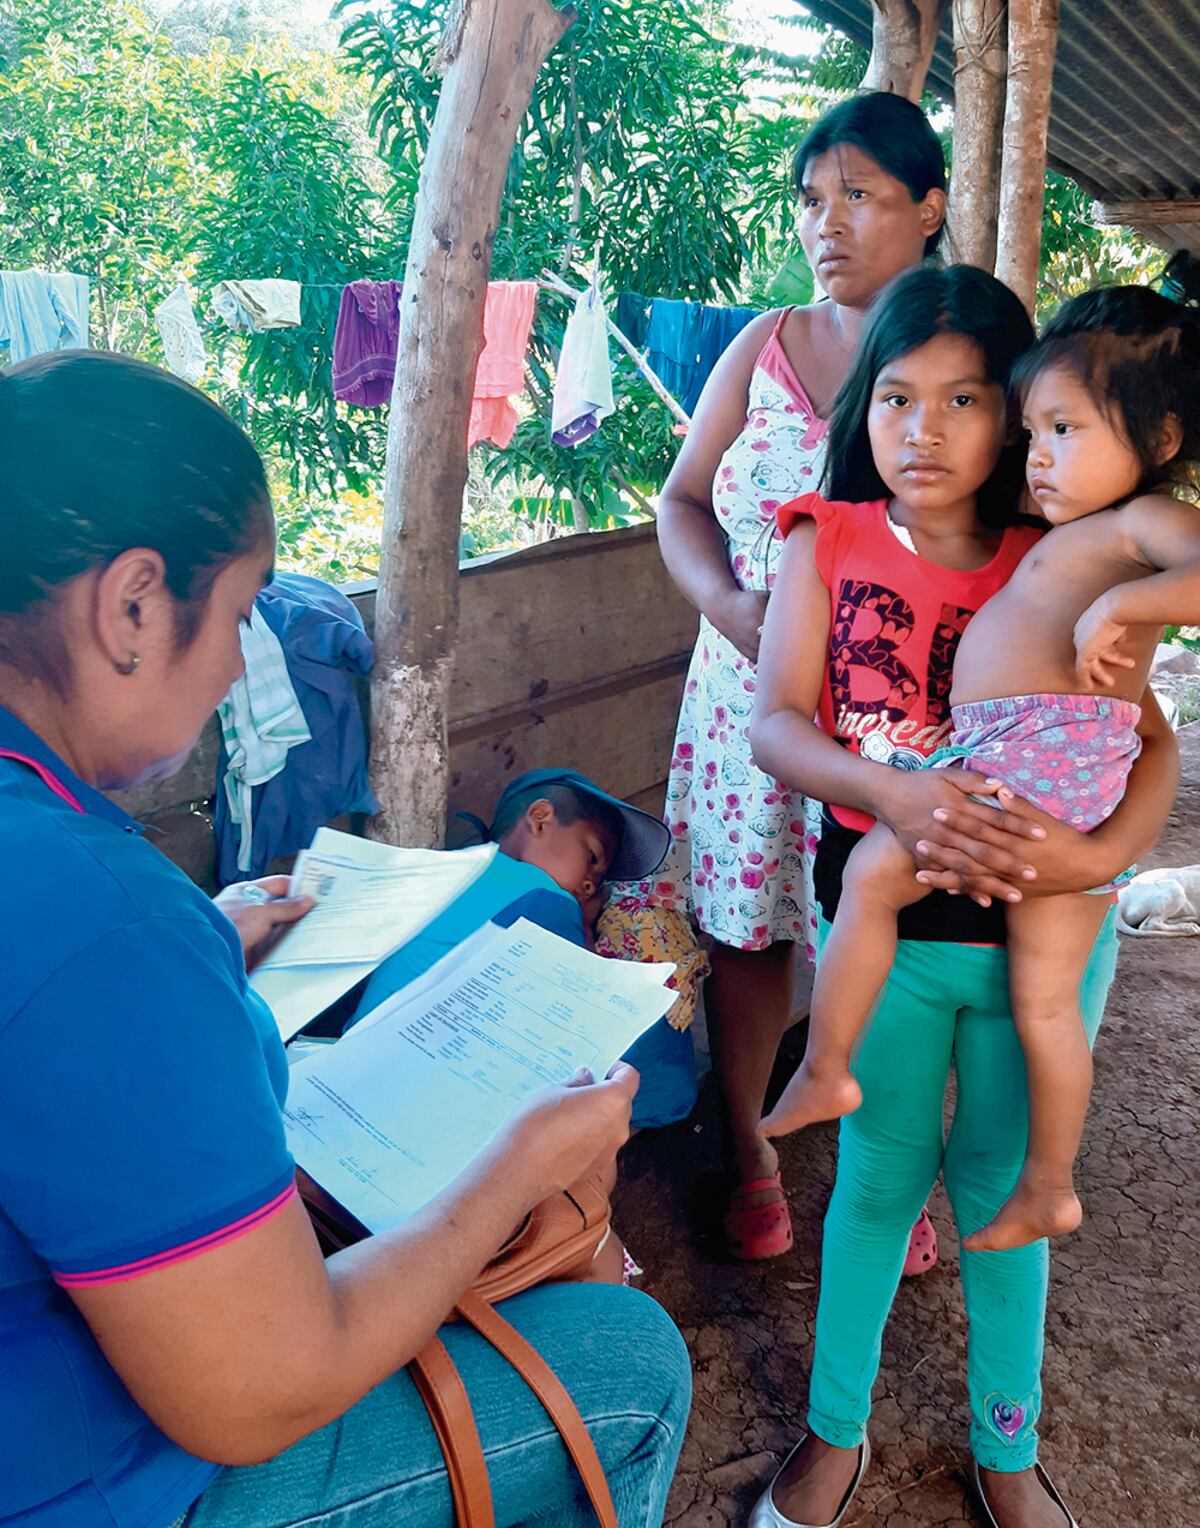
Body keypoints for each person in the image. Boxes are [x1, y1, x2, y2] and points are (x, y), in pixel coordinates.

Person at [0, 352, 691, 1528]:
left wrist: (208, 959)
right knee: (627, 1361)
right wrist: (516, 1165)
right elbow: (262, 1392)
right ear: (129, 606)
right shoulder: (104, 918)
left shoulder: (78, 882)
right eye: (237, 610)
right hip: (80, 1483)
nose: (233, 664)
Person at [747, 267, 1180, 1528]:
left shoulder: (1064, 558)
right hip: (894, 933)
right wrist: (894, 798)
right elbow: (778, 724)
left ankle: (1008, 1442)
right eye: (894, 397)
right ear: (863, 409)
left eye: (966, 400)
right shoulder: (822, 540)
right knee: (878, 1174)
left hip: (1041, 933)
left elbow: (1148, 746)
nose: (923, 430)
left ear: (1019, 414)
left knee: (1002, 1185)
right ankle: (836, 1432)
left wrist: (1095, 863)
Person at [653, 91, 955, 1261]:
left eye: (860, 196)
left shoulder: (962, 359)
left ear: (927, 210)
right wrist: (732, 609)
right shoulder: (766, 341)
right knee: (748, 933)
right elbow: (681, 502)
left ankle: (891, 1181)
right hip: (741, 702)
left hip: (891, 719)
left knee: (896, 938)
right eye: (810, 201)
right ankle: (751, 1151)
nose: (825, 224)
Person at [347, 768, 701, 1132]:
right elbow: (663, 1082)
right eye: (592, 858)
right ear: (541, 819)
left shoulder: (459, 870)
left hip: (356, 1076)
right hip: (409, 1106)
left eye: (598, 882)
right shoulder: (539, 895)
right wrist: (585, 930)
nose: (589, 885)